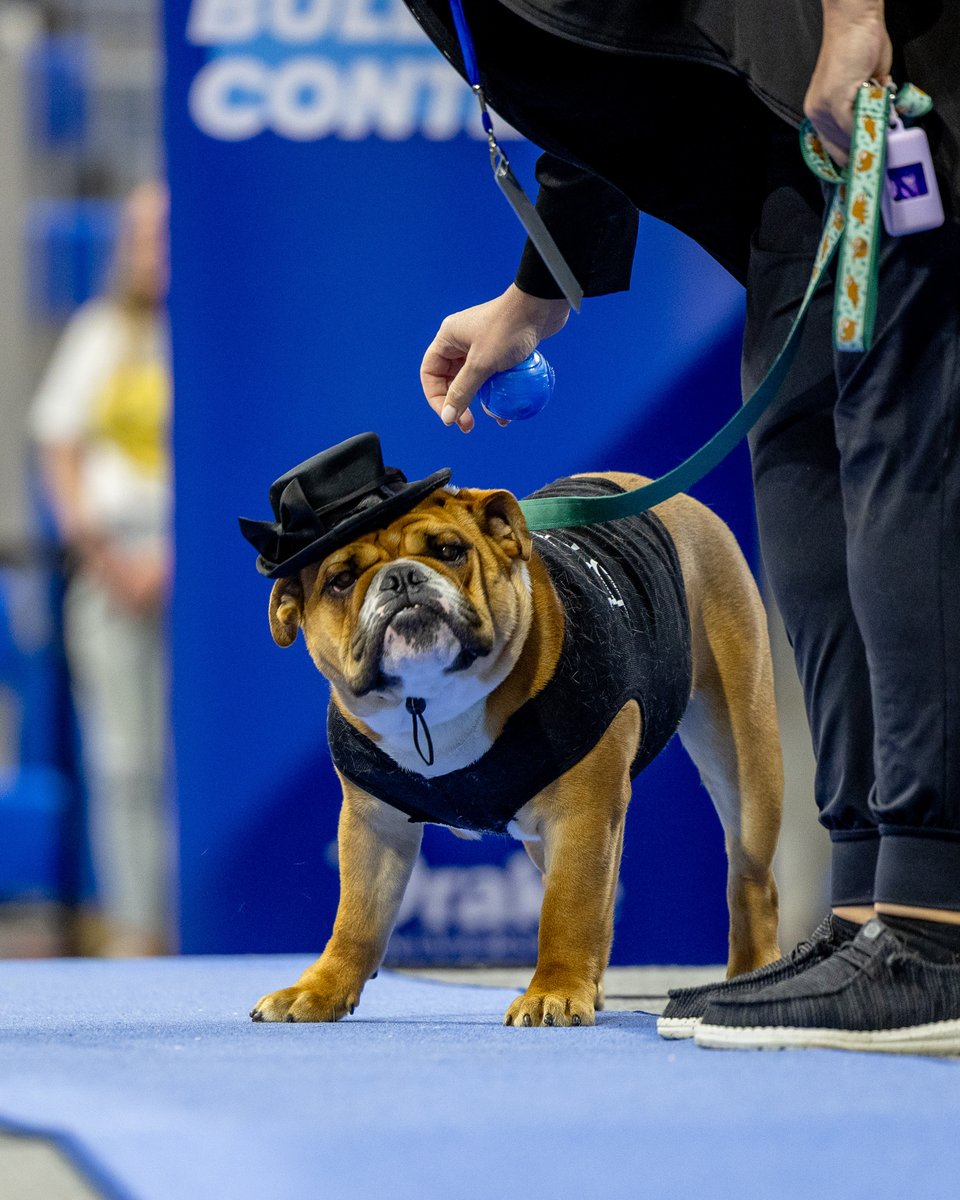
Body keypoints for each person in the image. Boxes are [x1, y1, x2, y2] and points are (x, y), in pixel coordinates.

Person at [405, 0, 960, 1053]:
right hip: (779, 141)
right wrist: (543, 287)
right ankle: (867, 905)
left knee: (905, 462)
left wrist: (853, 23)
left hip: (882, 76)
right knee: (804, 466)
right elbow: (619, 54)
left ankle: (937, 922)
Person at [30, 182, 174, 957]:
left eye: (165, 234)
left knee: (187, 755)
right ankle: (137, 927)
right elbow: (60, 447)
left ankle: (198, 922)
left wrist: (177, 555)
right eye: (139, 235)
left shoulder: (216, 332)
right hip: (110, 566)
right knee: (123, 761)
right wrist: (102, 550)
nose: (151, 251)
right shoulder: (98, 332)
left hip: (201, 572)